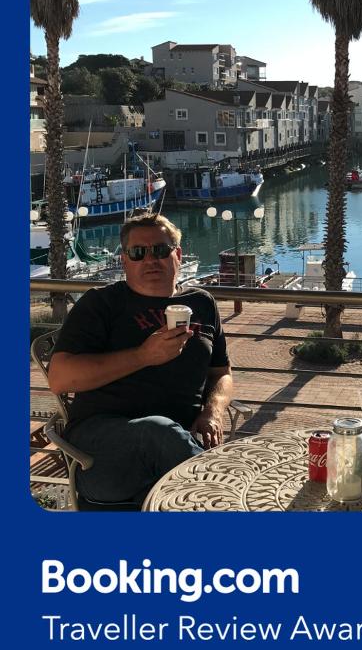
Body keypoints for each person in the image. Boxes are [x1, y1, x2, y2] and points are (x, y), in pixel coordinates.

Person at [48, 213, 233, 509]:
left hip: (178, 446)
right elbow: (59, 378)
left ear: (178, 255)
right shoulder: (101, 304)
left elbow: (222, 372)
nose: (150, 260)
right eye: (138, 252)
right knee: (157, 432)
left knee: (165, 440)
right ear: (124, 260)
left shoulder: (202, 303)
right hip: (103, 451)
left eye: (160, 250)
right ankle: (228, 506)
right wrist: (143, 356)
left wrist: (213, 410)